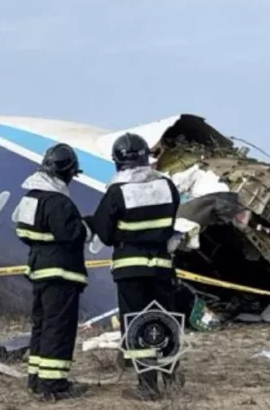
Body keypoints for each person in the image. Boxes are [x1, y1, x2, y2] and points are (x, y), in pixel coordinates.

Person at [86, 132, 183, 401]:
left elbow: (105, 233)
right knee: (165, 319)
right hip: (162, 266)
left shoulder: (117, 192)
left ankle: (148, 386)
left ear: (118, 161)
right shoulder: (167, 186)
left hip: (130, 269)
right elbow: (171, 221)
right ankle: (172, 377)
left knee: (138, 324)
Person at [15, 143, 90, 401]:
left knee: (42, 326)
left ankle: (36, 379)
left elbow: (22, 232)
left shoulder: (30, 198)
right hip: (60, 274)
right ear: (67, 172)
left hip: (39, 271)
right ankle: (54, 385)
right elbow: (71, 235)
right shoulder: (59, 202)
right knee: (59, 328)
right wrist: (87, 227)